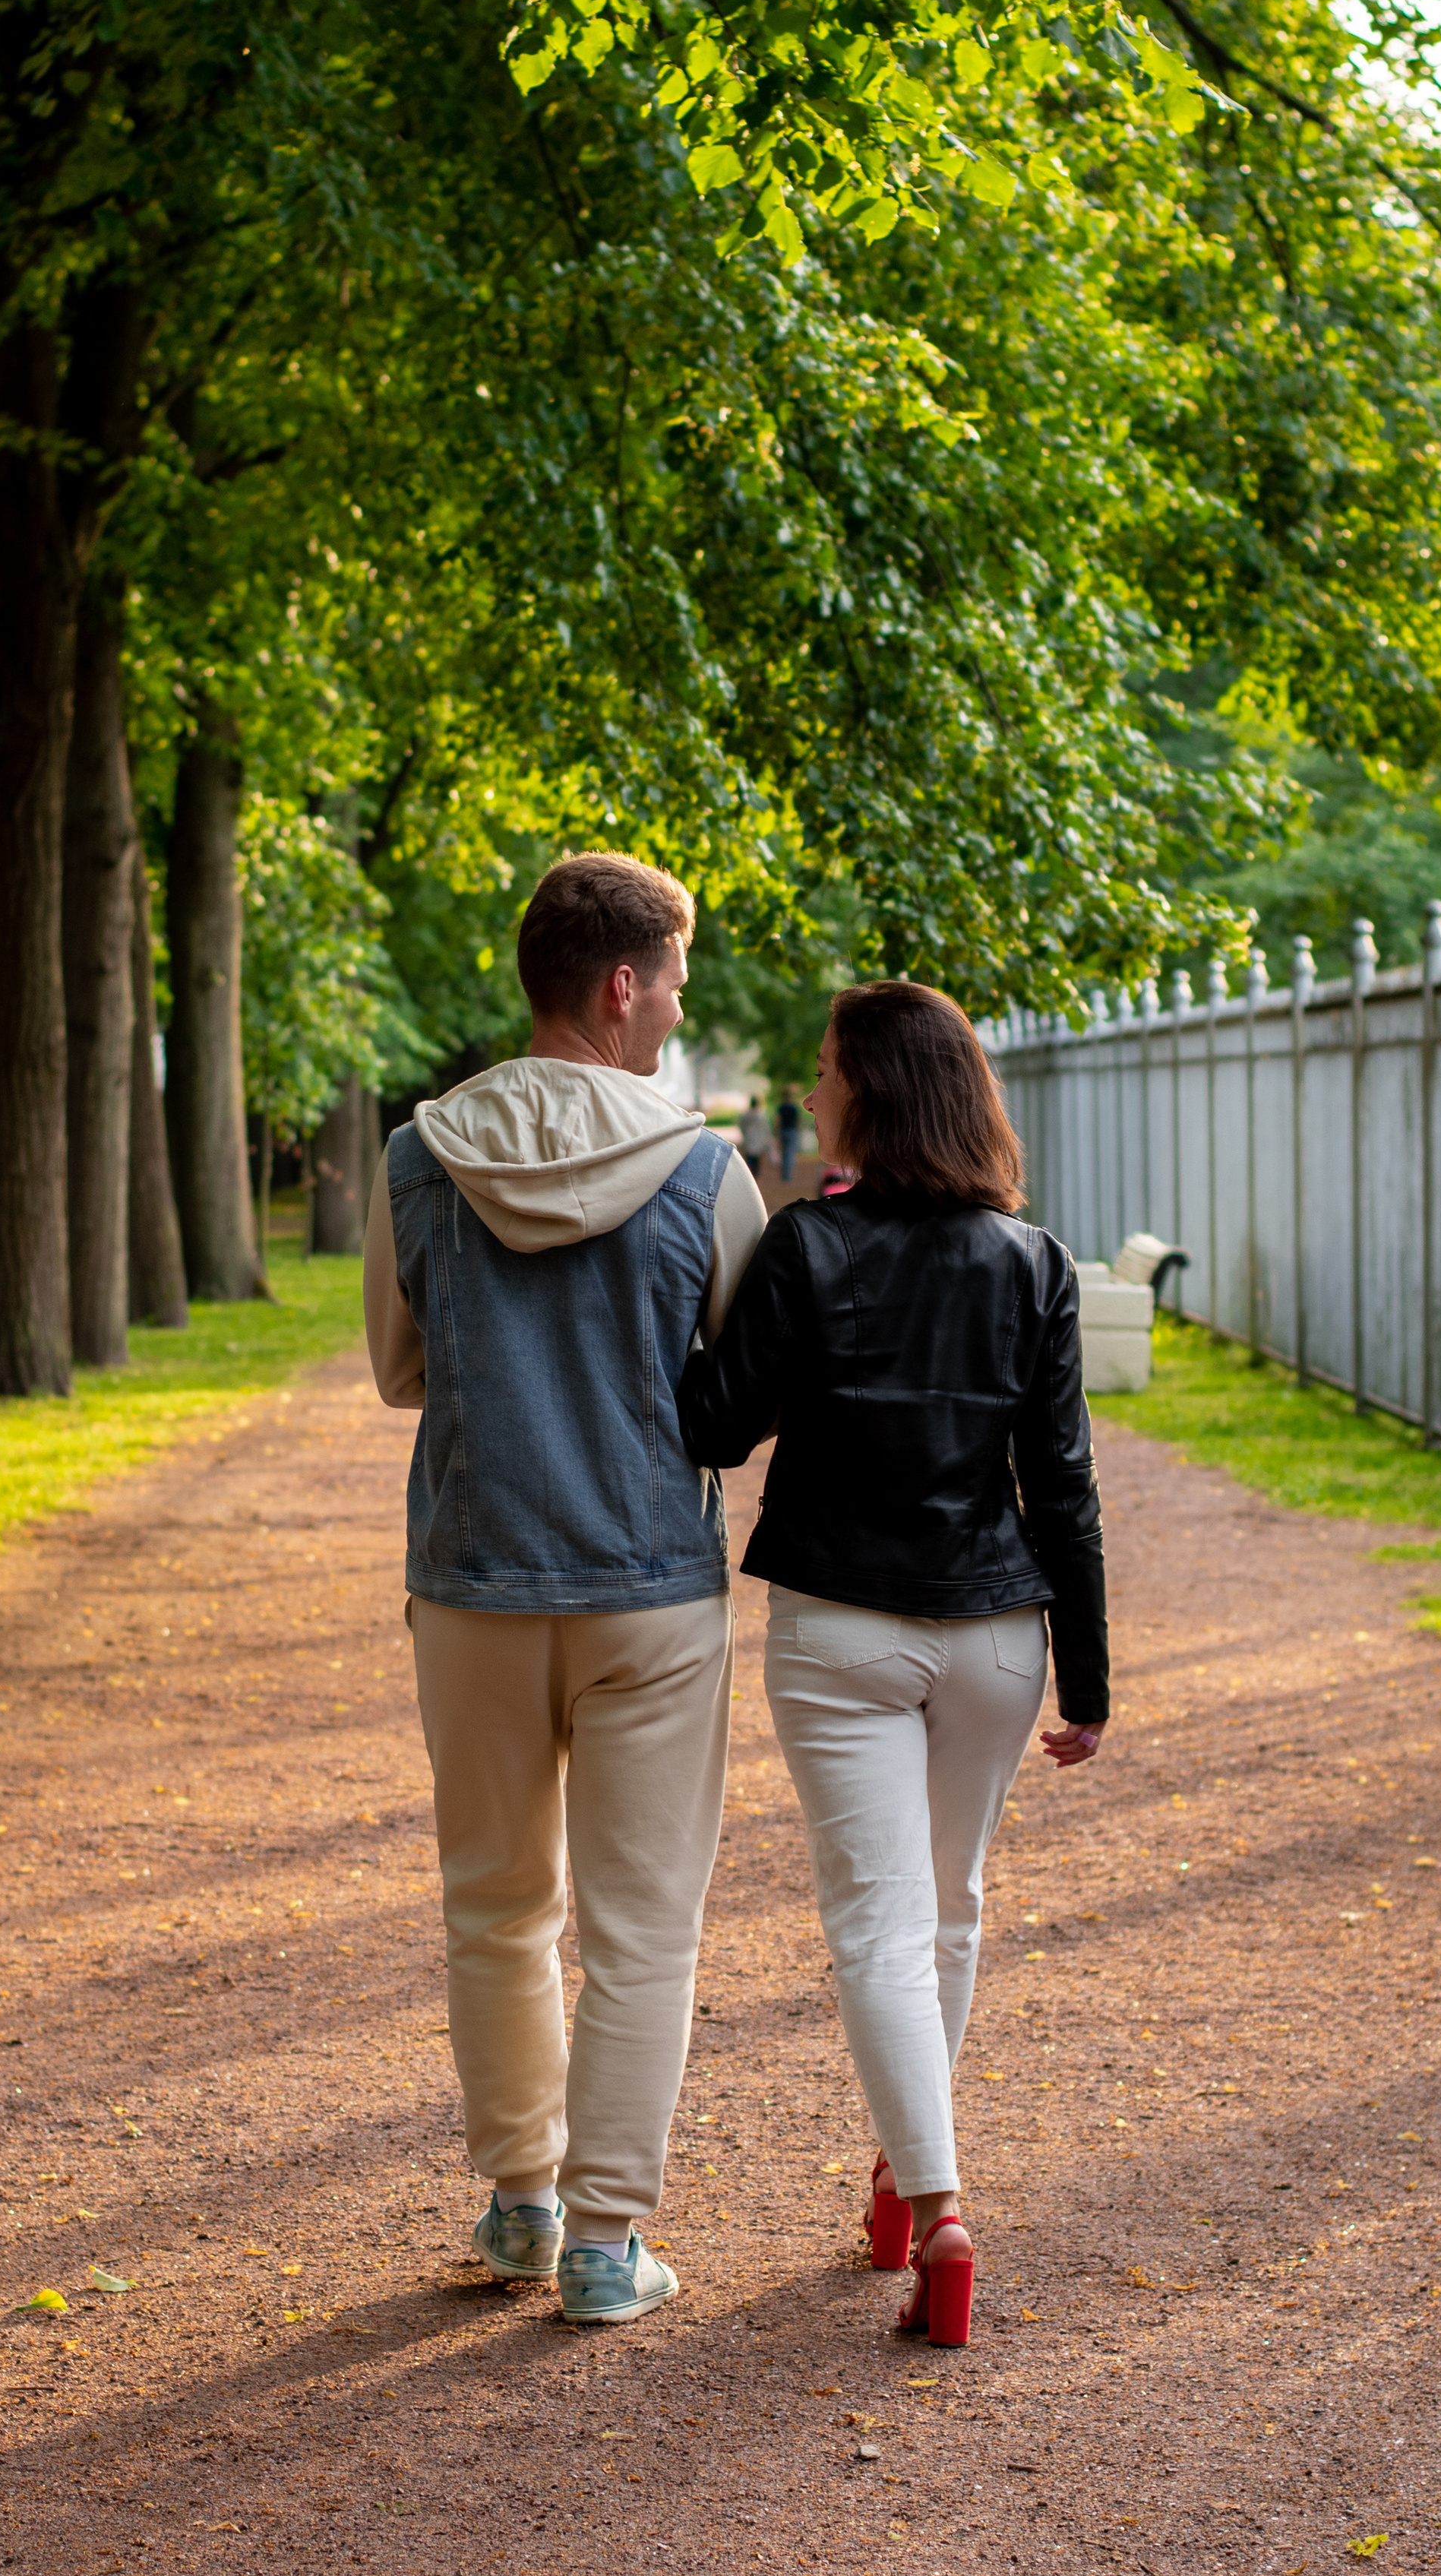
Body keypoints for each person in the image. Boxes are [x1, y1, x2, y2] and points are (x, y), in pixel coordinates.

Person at [364, 853, 769, 2326]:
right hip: (648, 1586)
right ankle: (607, 2240)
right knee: (642, 1923)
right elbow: (735, 1381)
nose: (674, 1006)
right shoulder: (708, 1171)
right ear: (617, 986)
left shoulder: (420, 1157)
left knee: (493, 1907)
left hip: (473, 1580)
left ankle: (519, 2203)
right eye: (668, 980)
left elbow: (402, 1372)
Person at [675, 981, 1108, 2347]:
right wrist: (1087, 1677)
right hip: (995, 1635)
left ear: (873, 1090)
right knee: (952, 1910)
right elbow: (1067, 1487)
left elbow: (718, 1427)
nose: (810, 1092)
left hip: (843, 1626)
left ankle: (939, 2211)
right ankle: (900, 2174)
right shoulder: (1033, 1261)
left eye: (824, 1071)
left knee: (877, 1923)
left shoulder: (809, 1246)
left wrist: (667, 1315)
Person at [738, 1097, 771, 1182]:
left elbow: (742, 1126)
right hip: (759, 1138)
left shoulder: (746, 1115)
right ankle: (755, 1175)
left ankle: (750, 1175)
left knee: (749, 1157)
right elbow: (766, 1128)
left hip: (749, 1137)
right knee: (757, 1158)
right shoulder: (761, 1115)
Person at [776, 1089, 801, 1184]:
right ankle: (788, 1175)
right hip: (792, 1131)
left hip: (783, 1131)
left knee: (783, 1154)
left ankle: (784, 1175)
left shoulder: (781, 1107)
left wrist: (777, 1133)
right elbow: (799, 1121)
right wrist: (799, 1132)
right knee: (790, 1154)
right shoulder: (794, 1108)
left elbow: (778, 1121)